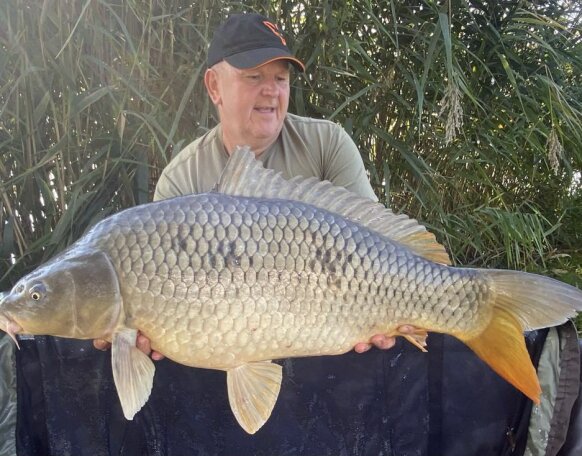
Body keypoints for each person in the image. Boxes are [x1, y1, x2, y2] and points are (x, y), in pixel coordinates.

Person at [4, 12, 581, 456]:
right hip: (235, 367)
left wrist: (403, 306)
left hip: (345, 359)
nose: (271, 92)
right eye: (253, 76)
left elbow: (381, 249)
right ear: (213, 86)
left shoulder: (327, 143)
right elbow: (146, 354)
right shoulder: (184, 178)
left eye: (279, 78)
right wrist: (133, 338)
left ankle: (482, 309)